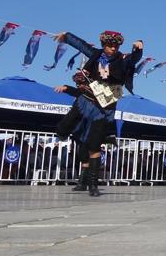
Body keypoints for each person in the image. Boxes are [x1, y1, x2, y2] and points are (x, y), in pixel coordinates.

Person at [53, 31, 143, 197]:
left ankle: (93, 184)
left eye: (115, 46)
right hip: (86, 100)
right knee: (69, 131)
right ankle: (82, 179)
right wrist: (66, 36)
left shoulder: (122, 60)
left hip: (104, 107)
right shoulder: (96, 55)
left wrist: (138, 48)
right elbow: (81, 45)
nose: (112, 49)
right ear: (103, 45)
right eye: (109, 46)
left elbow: (134, 59)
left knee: (94, 145)